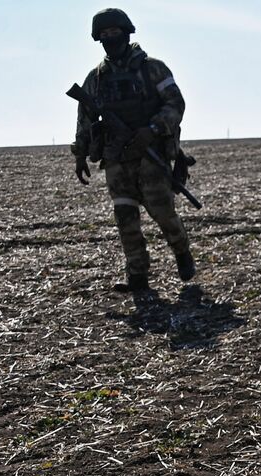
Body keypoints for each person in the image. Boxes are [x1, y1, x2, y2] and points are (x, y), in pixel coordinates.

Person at [71, 8, 195, 292]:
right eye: (104, 35)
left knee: (163, 213)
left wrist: (151, 130)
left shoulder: (153, 69)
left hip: (151, 154)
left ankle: (182, 252)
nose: (110, 39)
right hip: (116, 157)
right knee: (125, 218)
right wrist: (80, 153)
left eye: (114, 33)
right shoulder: (96, 78)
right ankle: (137, 275)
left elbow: (176, 104)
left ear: (126, 33)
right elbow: (85, 118)